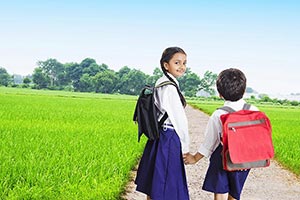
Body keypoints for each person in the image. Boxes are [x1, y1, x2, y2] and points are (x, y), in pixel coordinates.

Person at [183, 68, 259, 200]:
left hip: (223, 159)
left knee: (220, 190)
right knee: (235, 192)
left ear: (220, 94)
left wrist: (194, 158)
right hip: (244, 161)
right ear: (244, 90)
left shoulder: (219, 114)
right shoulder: (254, 110)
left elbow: (209, 143)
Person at [135, 47, 190, 200]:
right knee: (167, 184)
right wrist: (185, 146)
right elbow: (180, 120)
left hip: (159, 137)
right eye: (177, 62)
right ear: (166, 65)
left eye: (184, 63)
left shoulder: (161, 82)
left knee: (155, 184)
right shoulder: (170, 88)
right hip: (169, 138)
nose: (182, 66)